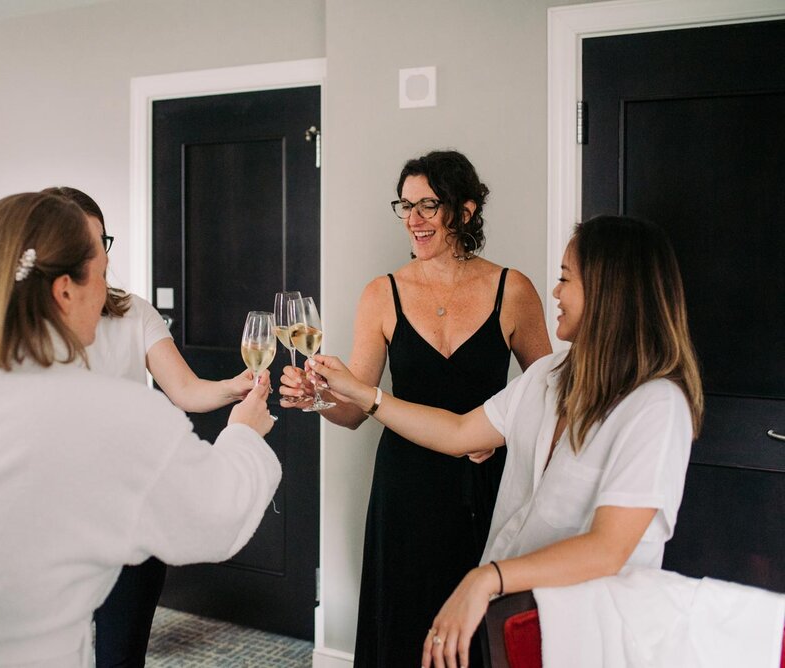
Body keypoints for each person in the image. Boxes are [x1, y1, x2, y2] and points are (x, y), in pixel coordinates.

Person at [0, 192, 281, 668]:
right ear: (64, 290)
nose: (105, 291)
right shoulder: (112, 411)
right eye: (99, 274)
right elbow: (217, 515)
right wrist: (243, 433)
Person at [308, 215, 704, 668]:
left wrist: (486, 579)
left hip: (591, 632)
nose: (555, 292)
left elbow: (609, 548)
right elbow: (458, 433)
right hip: (516, 619)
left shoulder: (656, 405)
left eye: (565, 280)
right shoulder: (548, 377)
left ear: (608, 290)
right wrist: (366, 395)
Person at [281, 150, 551, 667]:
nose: (414, 220)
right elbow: (355, 408)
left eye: (428, 205)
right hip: (404, 491)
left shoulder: (511, 291)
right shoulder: (381, 294)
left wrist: (500, 435)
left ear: (465, 211)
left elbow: (552, 395)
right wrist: (318, 399)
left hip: (485, 488)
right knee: (404, 628)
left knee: (476, 635)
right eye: (405, 206)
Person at [40, 186, 256, 668]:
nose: (97, 256)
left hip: (130, 519)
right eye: (83, 244)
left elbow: (184, 389)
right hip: (56, 525)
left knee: (121, 657)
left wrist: (234, 387)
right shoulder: (23, 330)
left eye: (101, 241)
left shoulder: (133, 311)